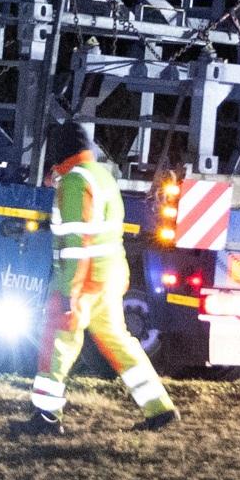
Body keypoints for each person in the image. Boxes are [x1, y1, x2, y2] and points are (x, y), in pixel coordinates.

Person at [29, 140, 176, 428]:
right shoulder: (101, 175)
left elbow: (76, 243)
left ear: (58, 159)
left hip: (82, 280)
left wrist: (69, 292)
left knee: (57, 342)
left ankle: (46, 416)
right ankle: (159, 408)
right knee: (119, 341)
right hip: (109, 275)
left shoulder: (73, 182)